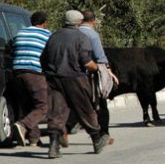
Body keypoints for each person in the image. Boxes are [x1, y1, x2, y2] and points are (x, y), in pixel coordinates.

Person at [41, 10, 108, 158]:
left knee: (56, 112)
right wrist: (99, 68)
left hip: (54, 79)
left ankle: (54, 146)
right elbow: (86, 62)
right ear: (79, 22)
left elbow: (43, 59)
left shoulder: (53, 36)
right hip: (75, 79)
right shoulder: (81, 37)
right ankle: (97, 140)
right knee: (85, 108)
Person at [77, 10, 118, 144]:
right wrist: (108, 71)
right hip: (90, 74)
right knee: (101, 105)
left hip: (73, 75)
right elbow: (100, 56)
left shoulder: (74, 33)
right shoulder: (93, 35)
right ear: (93, 21)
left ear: (81, 20)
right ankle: (103, 134)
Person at [12, 11, 51, 147]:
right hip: (34, 72)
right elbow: (51, 53)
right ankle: (22, 125)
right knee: (42, 106)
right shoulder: (46, 34)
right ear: (45, 23)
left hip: (17, 73)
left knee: (28, 105)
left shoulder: (20, 33)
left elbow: (13, 49)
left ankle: (34, 139)